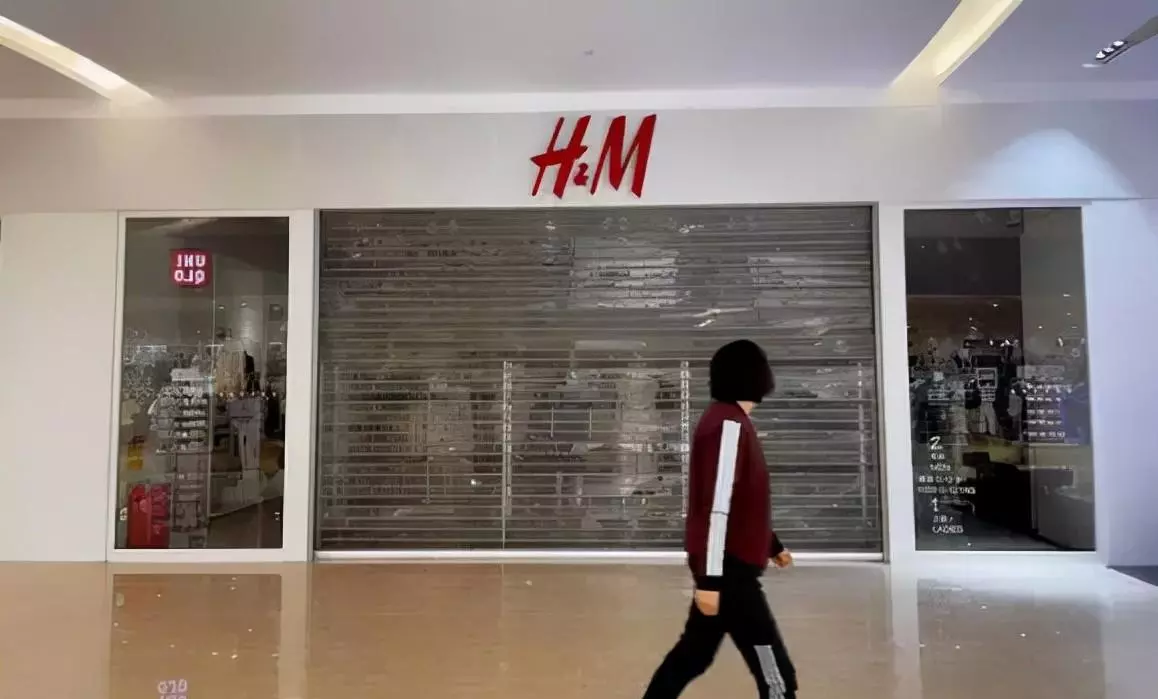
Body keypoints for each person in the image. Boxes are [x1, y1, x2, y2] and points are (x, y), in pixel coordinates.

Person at [641, 339, 798, 699]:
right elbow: (717, 505)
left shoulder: (732, 421)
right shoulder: (728, 425)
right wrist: (710, 582)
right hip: (731, 573)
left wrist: (772, 545)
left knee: (693, 655)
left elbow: (743, 502)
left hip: (727, 567)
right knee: (777, 675)